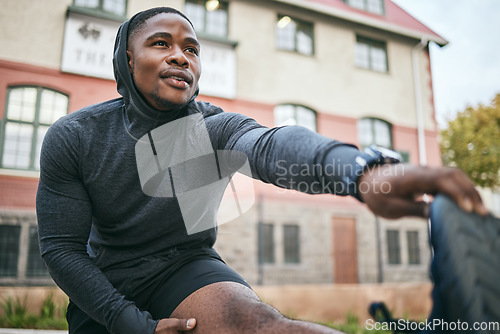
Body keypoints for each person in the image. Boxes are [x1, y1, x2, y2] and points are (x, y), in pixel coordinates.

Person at [36, 6, 488, 334]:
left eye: (191, 49)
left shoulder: (212, 127)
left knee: (261, 325)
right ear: (128, 60)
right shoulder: (75, 136)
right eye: (161, 43)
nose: (181, 57)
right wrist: (130, 323)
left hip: (183, 266)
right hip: (105, 286)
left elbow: (271, 147)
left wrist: (363, 173)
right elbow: (62, 250)